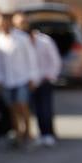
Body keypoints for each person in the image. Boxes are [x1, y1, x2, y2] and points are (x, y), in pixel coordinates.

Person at [0, 12, 40, 149]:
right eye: (0, 22)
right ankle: (17, 132)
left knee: (22, 105)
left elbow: (31, 58)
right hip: (7, 80)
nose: (3, 25)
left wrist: (33, 77)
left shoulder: (22, 38)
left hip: (22, 78)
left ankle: (28, 132)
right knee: (12, 108)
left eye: (5, 22)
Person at [21, 15, 63, 147]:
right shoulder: (24, 43)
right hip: (31, 82)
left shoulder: (45, 42)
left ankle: (48, 133)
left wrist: (50, 76)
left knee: (46, 108)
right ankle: (42, 133)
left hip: (45, 80)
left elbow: (55, 61)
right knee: (36, 109)